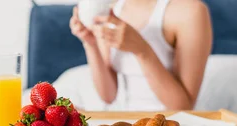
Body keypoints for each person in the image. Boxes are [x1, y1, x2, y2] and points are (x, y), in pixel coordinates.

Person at [69, 0, 212, 110]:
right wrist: (90, 43)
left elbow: (183, 106)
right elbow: (108, 96)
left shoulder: (191, 12)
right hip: (125, 122)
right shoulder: (111, 8)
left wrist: (142, 50)